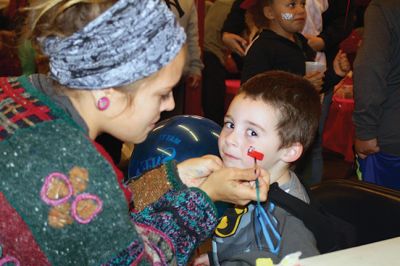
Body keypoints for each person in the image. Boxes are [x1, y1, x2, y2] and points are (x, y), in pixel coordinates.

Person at [0, 0, 270, 265]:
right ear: (107, 92)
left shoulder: (19, 93)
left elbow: (98, 215)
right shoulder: (71, 161)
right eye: (162, 94)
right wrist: (203, 199)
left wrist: (172, 179)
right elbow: (133, 260)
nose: (171, 105)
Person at [193, 71, 322, 265]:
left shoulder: (287, 223)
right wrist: (216, 258)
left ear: (289, 151)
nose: (230, 139)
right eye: (230, 124)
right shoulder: (252, 181)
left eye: (252, 132)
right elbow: (245, 241)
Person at [353, 0, 400, 190]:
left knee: (382, 213)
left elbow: (370, 67)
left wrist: (365, 129)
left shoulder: (384, 7)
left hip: (391, 137)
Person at [162, 0, 203, 117]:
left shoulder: (187, 3)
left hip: (176, 74)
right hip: (147, 75)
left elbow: (191, 36)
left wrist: (195, 67)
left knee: (169, 121)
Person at [202, 0, 235, 126]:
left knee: (211, 107)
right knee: (214, 108)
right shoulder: (234, 6)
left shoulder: (221, 4)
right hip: (213, 56)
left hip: (207, 54)